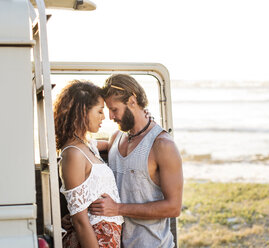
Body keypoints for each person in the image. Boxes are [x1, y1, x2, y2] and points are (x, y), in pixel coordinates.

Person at [89, 74, 183, 248]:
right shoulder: (116, 138)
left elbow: (173, 207)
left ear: (132, 100)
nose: (110, 116)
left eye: (114, 109)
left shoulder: (162, 145)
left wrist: (117, 209)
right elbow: (100, 148)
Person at [53, 80, 124, 248]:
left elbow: (111, 144)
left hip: (107, 239)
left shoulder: (87, 146)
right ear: (83, 112)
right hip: (94, 240)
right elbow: (79, 221)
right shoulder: (73, 154)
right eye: (99, 111)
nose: (104, 116)